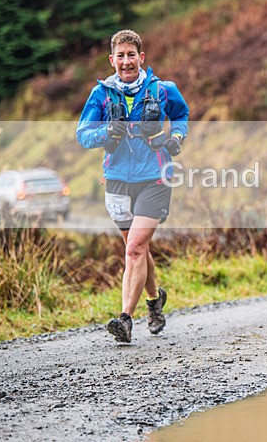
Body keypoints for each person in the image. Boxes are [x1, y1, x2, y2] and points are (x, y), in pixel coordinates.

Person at [76, 29, 189, 343]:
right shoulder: (101, 94)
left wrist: (177, 138)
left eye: (131, 55)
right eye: (120, 56)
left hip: (154, 177)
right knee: (136, 250)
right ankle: (155, 301)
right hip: (117, 181)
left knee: (135, 248)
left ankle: (125, 319)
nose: (126, 62)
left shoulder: (163, 90)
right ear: (112, 60)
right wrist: (104, 136)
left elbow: (181, 115)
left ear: (142, 57)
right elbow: (82, 134)